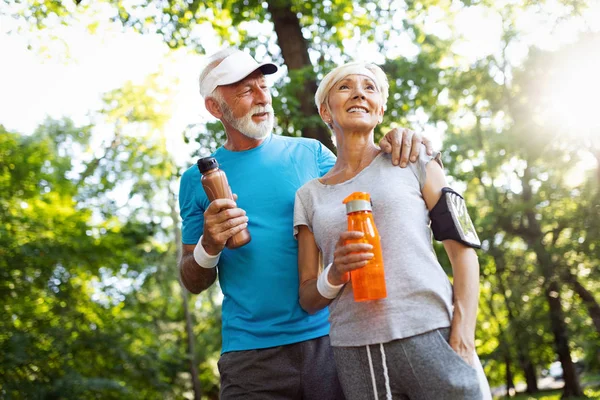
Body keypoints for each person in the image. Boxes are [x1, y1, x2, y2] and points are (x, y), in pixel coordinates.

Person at [178, 48, 433, 400]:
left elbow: (367, 177)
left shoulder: (311, 153)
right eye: (244, 91)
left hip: (333, 337)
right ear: (214, 107)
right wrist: (209, 245)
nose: (261, 97)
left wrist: (402, 138)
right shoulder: (197, 181)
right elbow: (192, 279)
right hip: (250, 357)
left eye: (263, 86)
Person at [293, 61, 492, 399]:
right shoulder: (309, 196)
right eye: (345, 87)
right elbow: (308, 298)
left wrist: (462, 339)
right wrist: (336, 272)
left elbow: (463, 249)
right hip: (355, 352)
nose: (358, 92)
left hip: (433, 333)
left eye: (369, 88)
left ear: (381, 110)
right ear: (325, 110)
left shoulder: (415, 159)